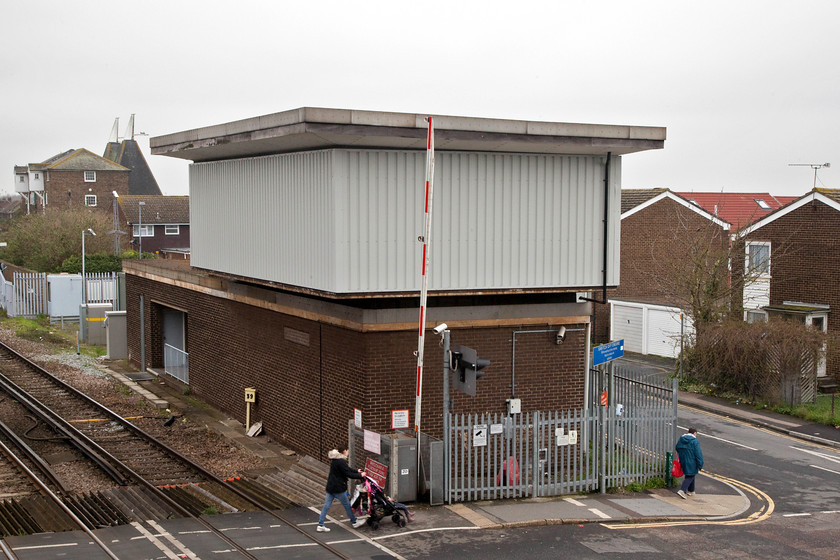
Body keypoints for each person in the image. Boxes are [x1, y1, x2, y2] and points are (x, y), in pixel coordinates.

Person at [317, 446, 367, 532]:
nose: (348, 452)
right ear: (344, 451)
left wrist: (356, 471)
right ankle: (354, 522)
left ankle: (320, 524)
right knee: (347, 505)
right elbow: (347, 473)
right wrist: (360, 475)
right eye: (347, 451)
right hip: (338, 488)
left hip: (331, 487)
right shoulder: (341, 461)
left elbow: (346, 469)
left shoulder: (335, 460)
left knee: (326, 506)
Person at [675, 427, 703, 499]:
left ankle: (691, 491)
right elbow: (698, 454)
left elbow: (677, 447)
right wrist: (700, 464)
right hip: (691, 461)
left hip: (683, 459)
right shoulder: (694, 441)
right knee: (690, 476)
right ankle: (682, 490)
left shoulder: (681, 439)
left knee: (690, 474)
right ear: (694, 433)